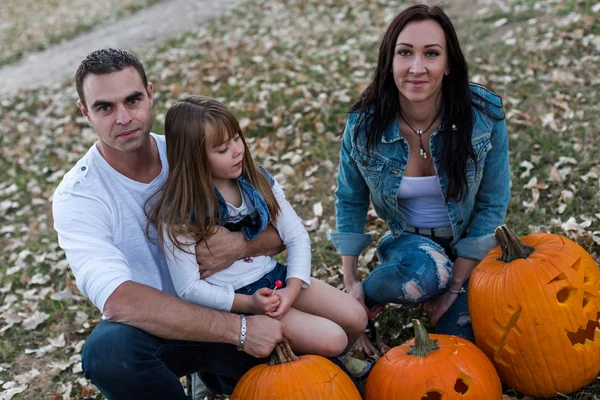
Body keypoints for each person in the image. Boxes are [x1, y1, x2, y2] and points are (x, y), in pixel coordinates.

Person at [52, 48, 301, 399]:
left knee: (317, 377)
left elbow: (281, 229)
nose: (123, 117)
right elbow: (118, 301)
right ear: (85, 113)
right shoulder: (78, 196)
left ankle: (216, 378)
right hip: (167, 331)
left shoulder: (196, 151)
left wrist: (241, 246)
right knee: (109, 352)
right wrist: (241, 331)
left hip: (239, 298)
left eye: (133, 100)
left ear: (150, 94)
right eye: (105, 107)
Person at [328, 4, 510, 357]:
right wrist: (351, 284)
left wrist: (455, 287)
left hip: (470, 246)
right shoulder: (364, 126)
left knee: (467, 346)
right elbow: (349, 200)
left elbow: (492, 204)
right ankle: (367, 298)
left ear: (448, 64)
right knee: (425, 273)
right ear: (389, 61)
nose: (417, 67)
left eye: (431, 54)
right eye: (405, 52)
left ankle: (446, 286)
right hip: (410, 246)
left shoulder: (483, 117)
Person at [147, 96, 367, 359]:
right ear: (194, 158)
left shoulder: (256, 181)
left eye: (236, 139)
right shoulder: (181, 212)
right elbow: (189, 289)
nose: (238, 150)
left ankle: (340, 363)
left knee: (356, 317)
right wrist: (248, 304)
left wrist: (292, 288)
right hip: (236, 300)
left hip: (275, 278)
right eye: (222, 149)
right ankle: (314, 369)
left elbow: (296, 236)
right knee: (333, 338)